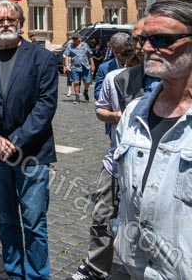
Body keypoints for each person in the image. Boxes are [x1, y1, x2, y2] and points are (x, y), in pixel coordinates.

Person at [0, 0, 58, 280]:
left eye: (11, 19)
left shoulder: (41, 57)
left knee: (33, 221)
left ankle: (37, 275)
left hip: (32, 152)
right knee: (6, 219)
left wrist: (15, 140)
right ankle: (14, 272)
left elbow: (46, 104)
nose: (5, 23)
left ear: (21, 23)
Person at [111, 0, 192, 278]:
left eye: (160, 39)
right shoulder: (133, 113)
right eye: (144, 39)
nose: (146, 48)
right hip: (136, 268)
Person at [71, 34, 142, 280]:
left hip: (148, 166)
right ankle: (96, 267)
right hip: (116, 160)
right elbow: (101, 110)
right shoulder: (113, 77)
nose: (129, 54)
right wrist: (116, 117)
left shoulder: (164, 81)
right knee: (102, 216)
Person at [64, 33, 95, 103]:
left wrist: (92, 65)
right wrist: (66, 66)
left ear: (79, 38)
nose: (74, 40)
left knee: (87, 82)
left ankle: (85, 91)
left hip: (85, 67)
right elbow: (66, 56)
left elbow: (90, 55)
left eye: (76, 38)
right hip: (75, 67)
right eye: (73, 39)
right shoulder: (70, 46)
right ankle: (77, 98)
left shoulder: (85, 45)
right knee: (76, 82)